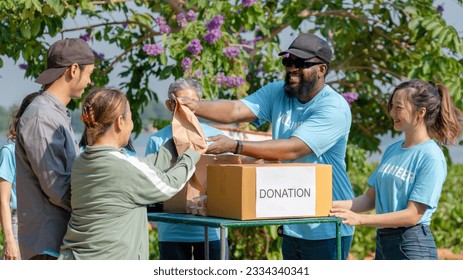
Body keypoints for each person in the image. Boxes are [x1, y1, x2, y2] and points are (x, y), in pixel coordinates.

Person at [178, 33, 355, 260]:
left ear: (321, 70)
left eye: (300, 63)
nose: (291, 68)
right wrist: (194, 106)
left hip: (327, 223)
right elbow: (235, 110)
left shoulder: (334, 107)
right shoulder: (277, 92)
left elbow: (293, 149)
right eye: (288, 61)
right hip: (293, 219)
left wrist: (237, 146)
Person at [58, 87, 201, 260]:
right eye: (131, 119)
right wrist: (193, 153)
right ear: (120, 122)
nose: (132, 125)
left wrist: (175, 144)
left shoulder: (82, 161)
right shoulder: (123, 166)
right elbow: (168, 185)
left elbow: (143, 167)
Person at [330, 79, 463, 260]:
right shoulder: (393, 150)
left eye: (398, 107)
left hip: (412, 245)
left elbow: (413, 215)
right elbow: (370, 199)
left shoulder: (431, 156)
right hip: (383, 243)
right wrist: (328, 206)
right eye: (392, 106)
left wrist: (360, 220)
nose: (392, 113)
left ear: (420, 112)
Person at [15, 38, 95, 260]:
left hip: (58, 241)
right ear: (74, 70)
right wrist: (98, 210)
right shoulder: (42, 115)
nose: (89, 82)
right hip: (47, 245)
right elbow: (56, 187)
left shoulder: (55, 113)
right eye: (89, 74)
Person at [145, 78, 228, 260]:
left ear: (201, 105)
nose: (183, 109)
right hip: (171, 232)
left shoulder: (217, 138)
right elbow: (149, 184)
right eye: (178, 103)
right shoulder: (157, 140)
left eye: (189, 104)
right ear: (169, 105)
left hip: (212, 231)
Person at [0, 92, 39, 260]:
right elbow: (3, 199)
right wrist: (9, 239)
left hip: (42, 225)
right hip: (18, 224)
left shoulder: (45, 154)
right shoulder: (9, 152)